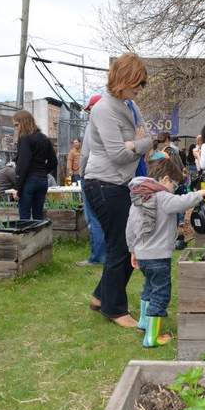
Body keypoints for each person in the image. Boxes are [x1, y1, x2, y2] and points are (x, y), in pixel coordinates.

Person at [83, 52, 152, 328]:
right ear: (121, 78)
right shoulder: (104, 108)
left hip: (121, 184)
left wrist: (135, 145)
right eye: (137, 82)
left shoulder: (131, 107)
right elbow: (117, 155)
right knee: (121, 247)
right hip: (103, 184)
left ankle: (102, 297)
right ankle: (114, 309)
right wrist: (136, 145)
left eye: (142, 83)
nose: (140, 88)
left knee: (127, 244)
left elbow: (149, 140)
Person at [126, 158, 205, 347]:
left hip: (142, 254)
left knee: (149, 288)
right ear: (165, 179)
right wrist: (201, 193)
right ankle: (151, 338)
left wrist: (132, 250)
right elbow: (181, 202)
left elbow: (130, 228)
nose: (174, 189)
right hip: (158, 256)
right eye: (174, 185)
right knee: (161, 293)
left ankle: (143, 322)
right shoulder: (162, 195)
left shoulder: (140, 197)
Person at [76, 95, 107, 267]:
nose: (88, 113)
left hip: (91, 174)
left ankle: (97, 257)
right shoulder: (111, 124)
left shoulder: (91, 126)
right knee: (104, 217)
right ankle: (107, 254)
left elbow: (86, 153)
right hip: (107, 176)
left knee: (92, 217)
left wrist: (81, 173)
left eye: (89, 109)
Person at [12, 110, 58, 220]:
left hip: (29, 180)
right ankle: (40, 237)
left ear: (23, 123)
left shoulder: (25, 139)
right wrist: (42, 171)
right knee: (38, 216)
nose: (16, 128)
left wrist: (17, 187)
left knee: (24, 218)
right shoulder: (44, 138)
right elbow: (53, 162)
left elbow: (23, 164)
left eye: (16, 125)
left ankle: (26, 237)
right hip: (42, 180)